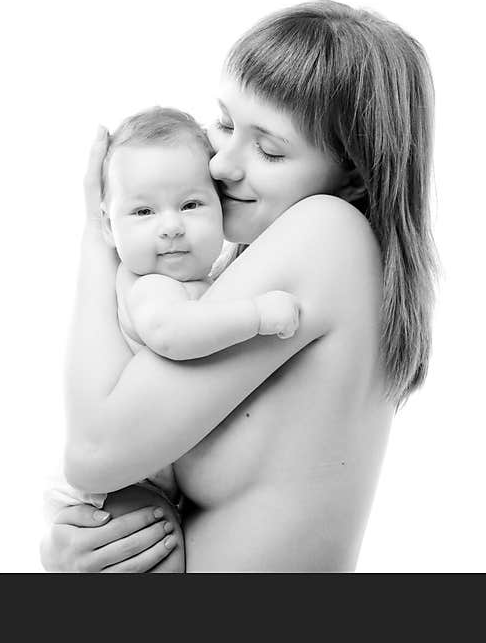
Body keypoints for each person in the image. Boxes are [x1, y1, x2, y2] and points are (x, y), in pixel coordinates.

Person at [41, 0, 436, 572]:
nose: (222, 164)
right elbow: (111, 459)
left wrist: (98, 233)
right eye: (224, 124)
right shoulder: (240, 269)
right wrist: (85, 543)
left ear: (352, 172)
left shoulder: (327, 232)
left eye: (269, 148)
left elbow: (95, 451)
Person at [45, 106, 300, 572]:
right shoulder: (152, 287)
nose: (171, 225)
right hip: (127, 486)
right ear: (108, 225)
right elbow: (174, 334)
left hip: (151, 468)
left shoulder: (211, 278)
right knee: (152, 542)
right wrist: (258, 315)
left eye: (190, 204)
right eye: (143, 211)